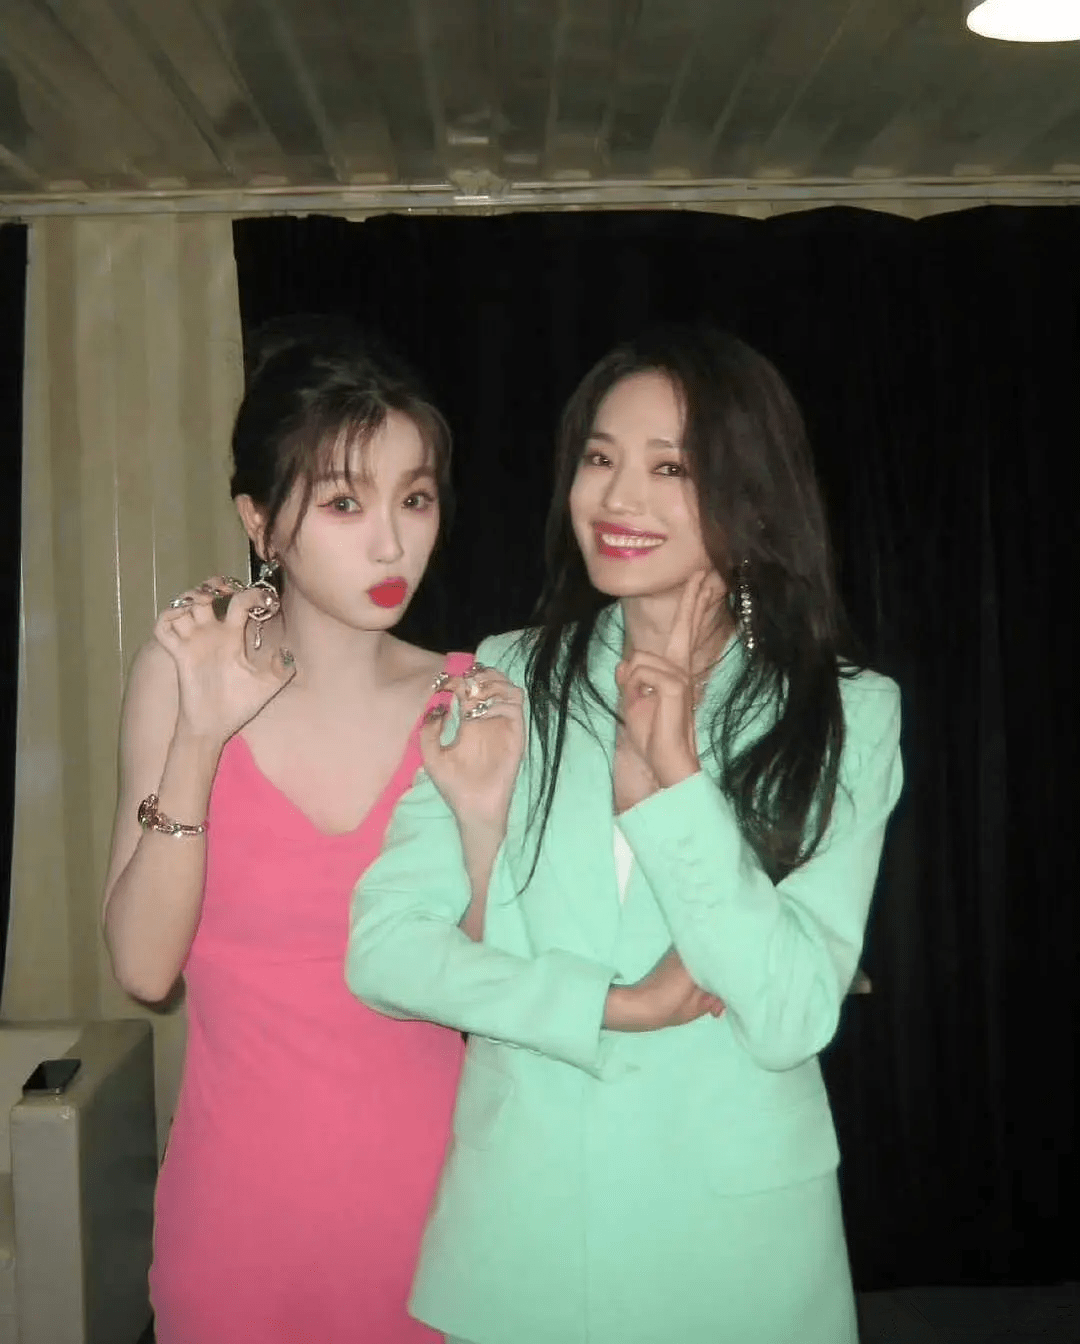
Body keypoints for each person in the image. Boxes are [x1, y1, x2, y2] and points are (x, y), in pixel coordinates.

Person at [347, 324, 904, 1344]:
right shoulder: (507, 673)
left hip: (733, 1249)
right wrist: (611, 1007)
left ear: (752, 496)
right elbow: (384, 950)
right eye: (600, 459)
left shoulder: (845, 712)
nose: (618, 498)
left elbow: (789, 1013)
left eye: (670, 468)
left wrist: (674, 783)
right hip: (526, 1231)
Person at [102, 322, 469, 1343]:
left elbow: (503, 969)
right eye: (345, 502)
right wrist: (202, 736)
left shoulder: (472, 701)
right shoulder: (182, 672)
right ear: (259, 522)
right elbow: (143, 968)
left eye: (414, 498)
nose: (391, 544)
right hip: (236, 1234)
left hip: (444, 1230)